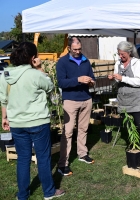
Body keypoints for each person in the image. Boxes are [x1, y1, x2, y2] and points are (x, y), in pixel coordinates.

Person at [0, 42, 65, 200]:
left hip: (17, 123)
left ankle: (22, 194)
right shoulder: (35, 74)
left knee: (23, 159)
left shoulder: (6, 74)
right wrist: (40, 68)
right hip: (37, 121)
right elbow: (49, 86)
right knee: (43, 157)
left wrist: (4, 117)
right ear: (33, 57)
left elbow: (4, 99)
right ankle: (48, 192)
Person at [56, 36, 95, 176]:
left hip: (86, 99)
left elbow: (92, 77)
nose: (78, 52)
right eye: (75, 49)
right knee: (67, 133)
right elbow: (61, 83)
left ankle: (82, 154)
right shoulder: (62, 62)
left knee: (84, 129)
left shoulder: (86, 60)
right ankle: (63, 164)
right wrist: (78, 80)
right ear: (69, 48)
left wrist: (91, 82)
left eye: (79, 49)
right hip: (70, 101)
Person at [108, 41, 140, 149]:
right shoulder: (118, 64)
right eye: (119, 54)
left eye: (122, 54)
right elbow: (117, 82)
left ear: (129, 52)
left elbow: (139, 82)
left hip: (136, 100)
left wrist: (122, 78)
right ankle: (134, 145)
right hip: (123, 100)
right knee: (129, 125)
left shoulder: (136, 63)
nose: (120, 56)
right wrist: (113, 79)